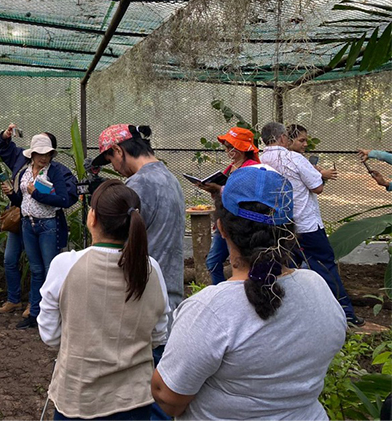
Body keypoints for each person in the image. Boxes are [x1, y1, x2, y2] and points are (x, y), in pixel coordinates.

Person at [152, 166, 347, 419]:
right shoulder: (317, 287)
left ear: (221, 228)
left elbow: (168, 399)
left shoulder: (209, 310)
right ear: (289, 231)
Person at [39, 179, 169, 420]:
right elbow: (159, 334)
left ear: (93, 218)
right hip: (135, 400)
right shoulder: (151, 268)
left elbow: (50, 334)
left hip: (78, 398)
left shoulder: (66, 265)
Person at [90, 124, 184, 420]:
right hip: (168, 299)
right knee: (157, 391)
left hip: (140, 302)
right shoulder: (170, 178)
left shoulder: (139, 186)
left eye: (110, 160)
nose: (114, 168)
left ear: (119, 150)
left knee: (139, 399)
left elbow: (118, 249)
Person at [260, 122, 362, 325]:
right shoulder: (294, 158)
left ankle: (290, 315)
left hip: (277, 226)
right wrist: (319, 175)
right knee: (325, 266)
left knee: (285, 270)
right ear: (283, 138)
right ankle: (345, 313)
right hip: (305, 225)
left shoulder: (259, 159)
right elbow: (317, 187)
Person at [0, 124, 77, 317]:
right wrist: (5, 136)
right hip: (23, 221)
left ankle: (44, 307)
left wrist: (39, 195)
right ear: (31, 153)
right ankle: (22, 302)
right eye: (38, 151)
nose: (42, 156)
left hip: (47, 223)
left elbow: (66, 198)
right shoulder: (23, 167)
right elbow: (4, 150)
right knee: (18, 262)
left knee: (47, 266)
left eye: (46, 151)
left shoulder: (57, 171)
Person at [198, 127, 260, 285]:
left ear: (239, 148)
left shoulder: (252, 167)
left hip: (241, 222)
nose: (226, 151)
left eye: (228, 147)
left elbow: (245, 194)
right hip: (225, 220)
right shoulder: (232, 167)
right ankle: (226, 291)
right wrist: (212, 189)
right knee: (213, 263)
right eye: (225, 146)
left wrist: (218, 189)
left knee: (240, 262)